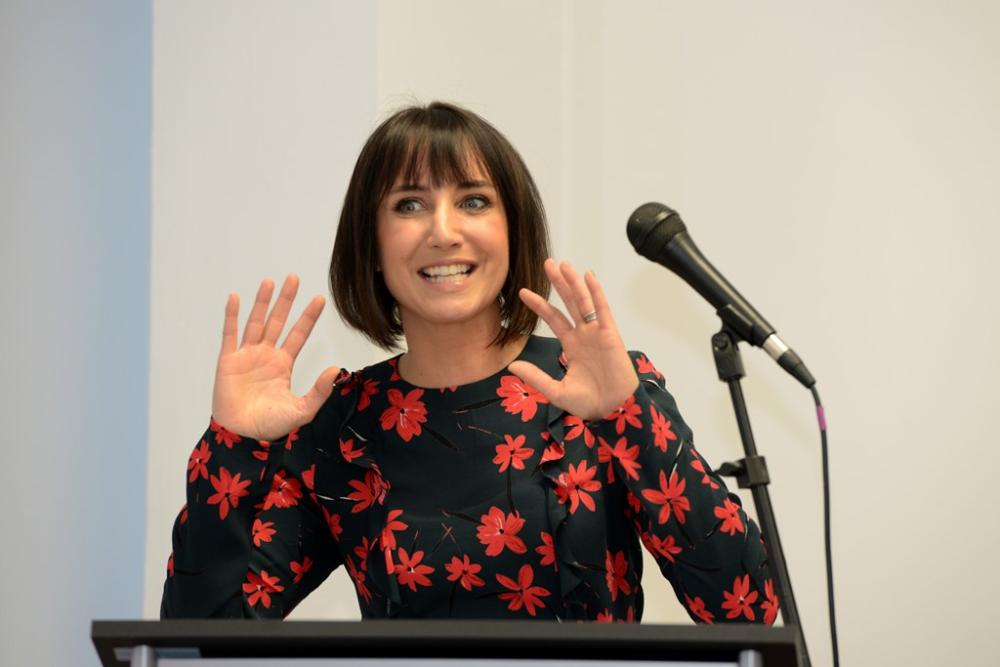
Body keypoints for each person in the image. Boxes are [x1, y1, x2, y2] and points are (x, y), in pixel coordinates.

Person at [161, 102, 777, 623]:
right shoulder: (341, 425)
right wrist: (232, 448)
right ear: (371, 243)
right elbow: (203, 635)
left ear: (513, 231)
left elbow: (745, 609)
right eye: (409, 205)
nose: (443, 231)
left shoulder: (591, 386)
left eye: (474, 201)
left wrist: (628, 413)